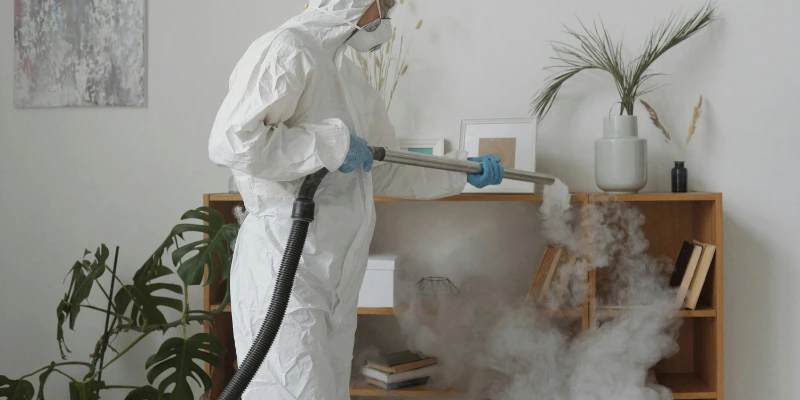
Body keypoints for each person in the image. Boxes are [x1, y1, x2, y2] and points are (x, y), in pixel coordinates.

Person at [208, 0, 504, 398]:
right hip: (286, 266)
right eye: (386, 4)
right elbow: (234, 142)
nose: (387, 16)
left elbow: (383, 166)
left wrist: (461, 170)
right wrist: (328, 144)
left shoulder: (347, 73)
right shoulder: (287, 49)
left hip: (336, 277)